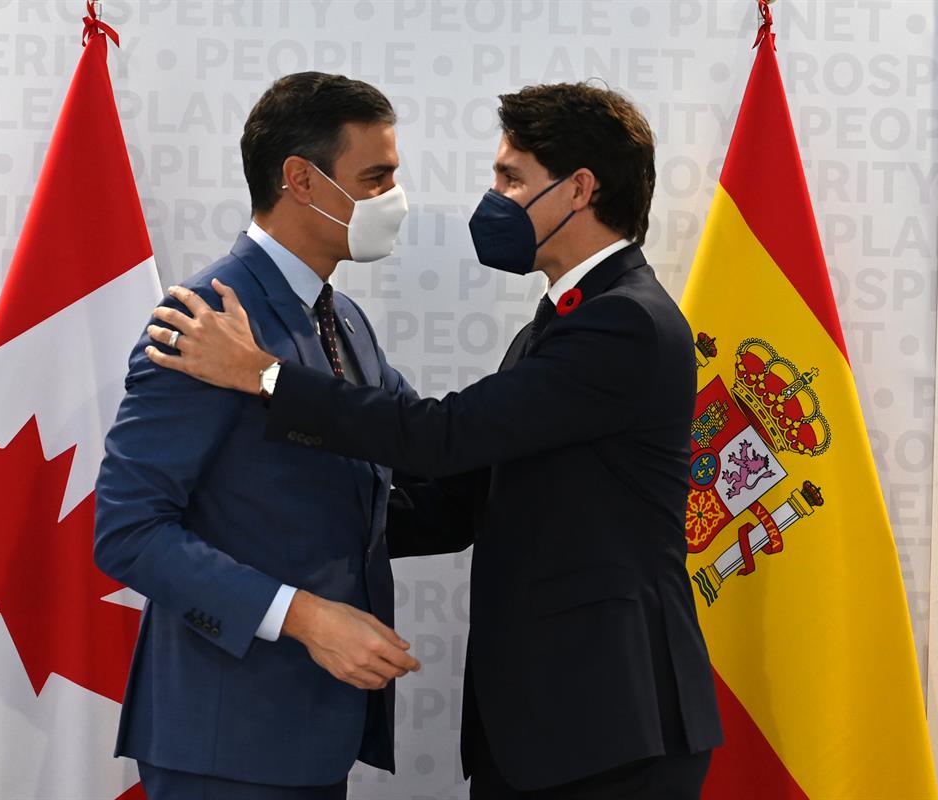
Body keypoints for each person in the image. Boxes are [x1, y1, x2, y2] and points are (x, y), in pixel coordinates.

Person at [145, 82, 725, 799]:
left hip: (610, 725)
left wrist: (263, 376)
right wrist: (273, 561)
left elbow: (442, 438)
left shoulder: (622, 325)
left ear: (578, 190)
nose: (494, 199)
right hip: (554, 727)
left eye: (511, 179)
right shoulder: (556, 326)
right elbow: (460, 502)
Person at [93, 72, 422, 800]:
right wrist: (304, 618)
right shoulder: (201, 321)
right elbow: (127, 532)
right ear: (301, 180)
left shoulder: (348, 324)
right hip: (225, 742)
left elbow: (419, 447)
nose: (393, 200)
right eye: (376, 178)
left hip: (312, 733)